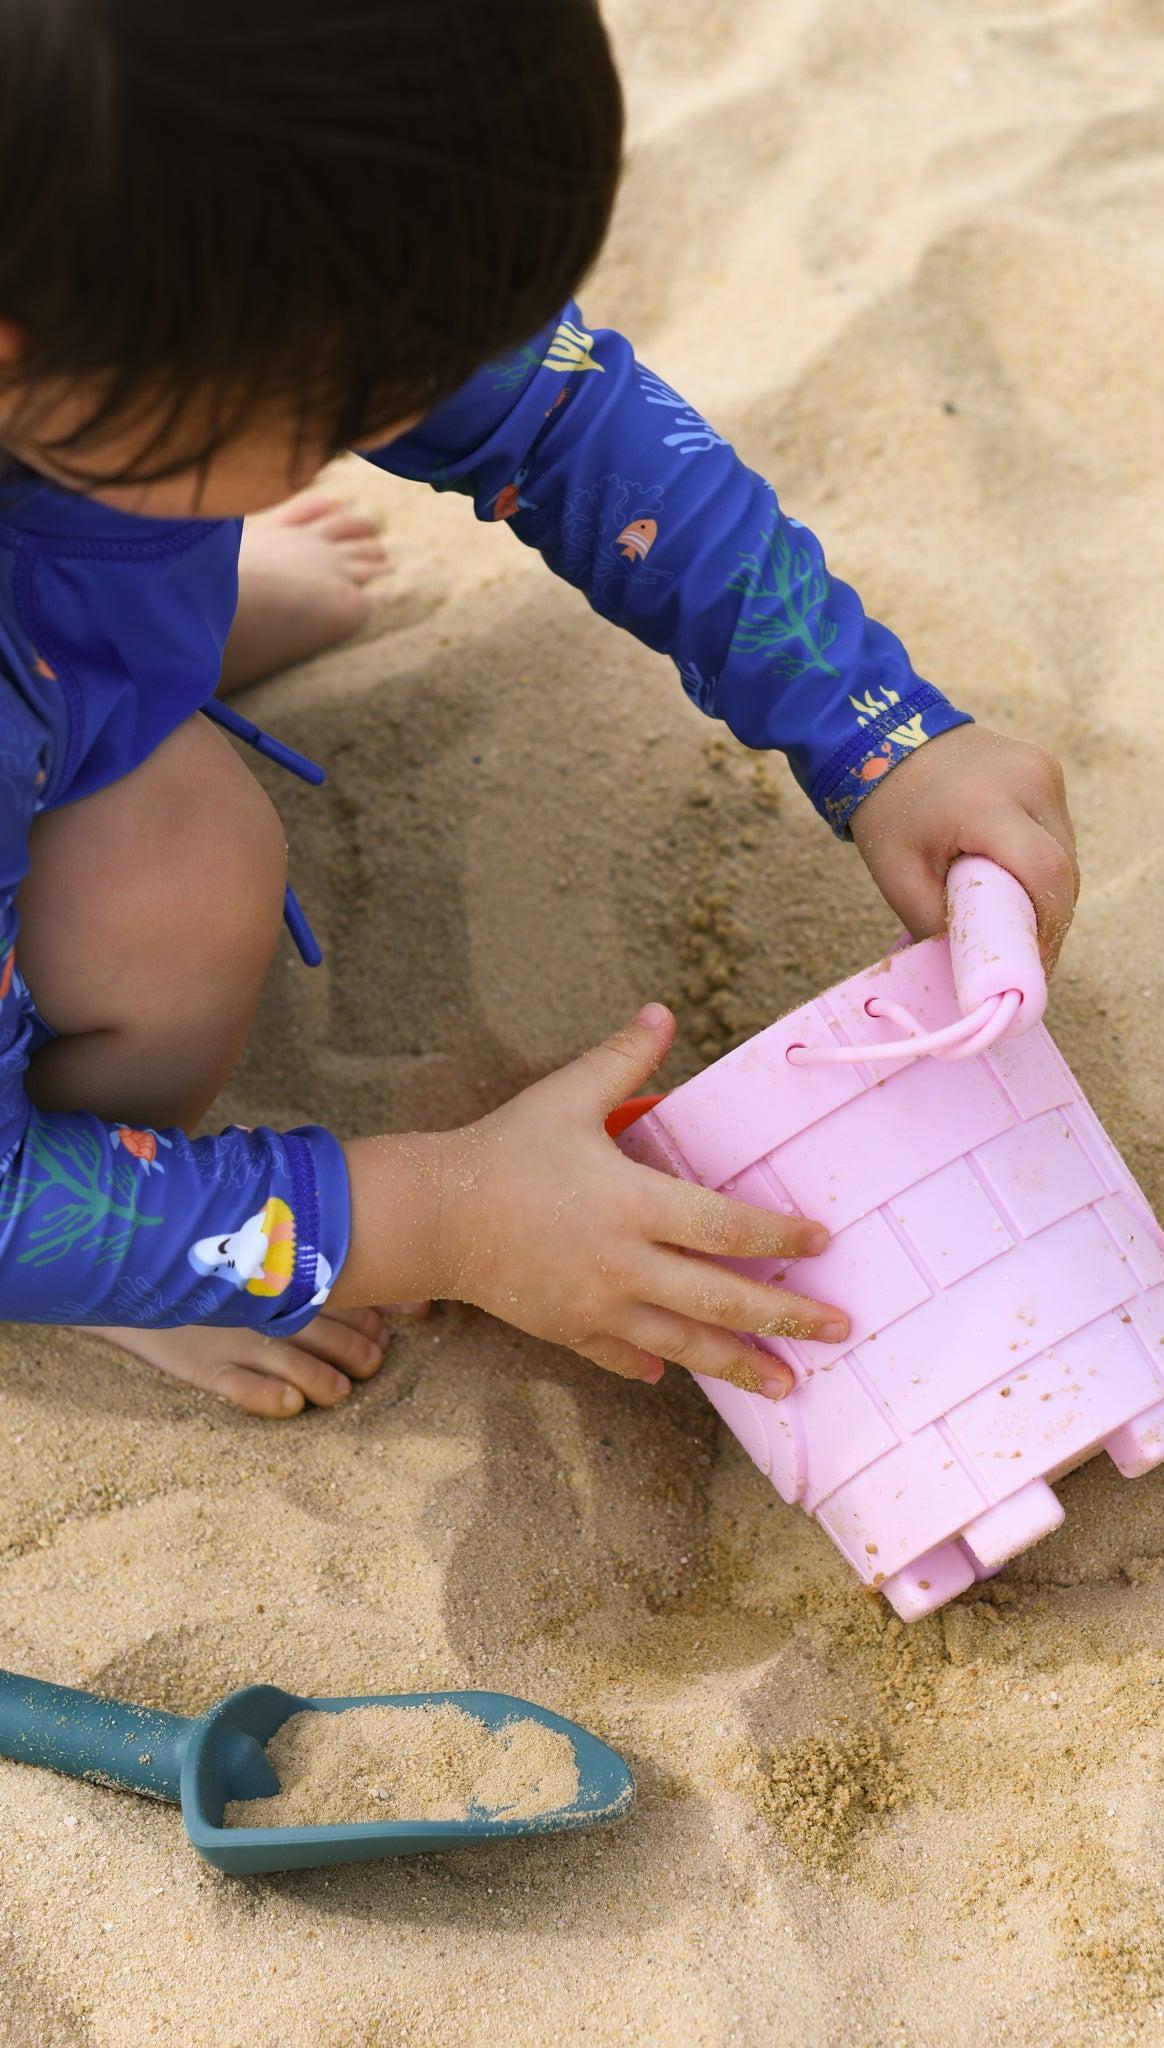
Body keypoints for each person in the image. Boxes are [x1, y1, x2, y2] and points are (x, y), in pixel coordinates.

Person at [0, 0, 1078, 1419]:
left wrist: (881, 733)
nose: (414, 408)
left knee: (143, 562)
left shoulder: (137, 214)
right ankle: (160, 1266)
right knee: (191, 872)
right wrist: (449, 1213)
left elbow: (562, 419)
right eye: (335, 408)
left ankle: (120, 611)